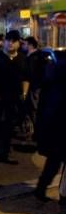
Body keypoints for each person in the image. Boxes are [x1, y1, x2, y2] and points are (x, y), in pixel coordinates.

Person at [0, 30, 29, 167]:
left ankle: (6, 153)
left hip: (14, 99)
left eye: (13, 41)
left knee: (10, 126)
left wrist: (24, 94)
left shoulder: (22, 59)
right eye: (8, 40)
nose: (10, 43)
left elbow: (26, 77)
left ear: (18, 43)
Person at [33, 49, 66, 203]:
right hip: (60, 122)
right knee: (56, 160)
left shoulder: (51, 75)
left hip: (54, 123)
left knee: (53, 160)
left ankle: (41, 187)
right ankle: (62, 194)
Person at [23, 36, 50, 139]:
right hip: (28, 86)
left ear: (30, 45)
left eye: (25, 44)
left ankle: (38, 131)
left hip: (35, 86)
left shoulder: (39, 56)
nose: (23, 46)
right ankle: (31, 130)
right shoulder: (26, 55)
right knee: (29, 109)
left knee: (35, 108)